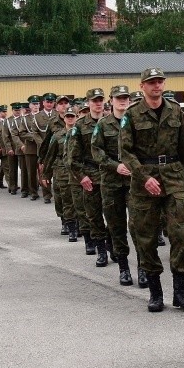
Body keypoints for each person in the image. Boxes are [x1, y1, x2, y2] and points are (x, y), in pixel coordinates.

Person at [120, 68, 184, 312]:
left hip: (174, 176)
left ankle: (180, 291)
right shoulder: (132, 114)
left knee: (180, 233)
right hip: (145, 180)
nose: (156, 86)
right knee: (145, 236)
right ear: (142, 86)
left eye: (160, 81)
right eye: (151, 82)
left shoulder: (175, 110)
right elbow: (125, 152)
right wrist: (143, 176)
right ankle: (155, 292)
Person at [92, 85, 146, 288]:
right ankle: (124, 268)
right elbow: (97, 151)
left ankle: (143, 269)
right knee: (116, 227)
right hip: (112, 182)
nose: (123, 101)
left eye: (126, 97)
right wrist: (116, 166)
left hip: (135, 182)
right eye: (119, 98)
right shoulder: (103, 124)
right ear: (111, 100)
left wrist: (134, 167)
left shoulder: (138, 121)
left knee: (138, 225)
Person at [67, 88, 115, 266]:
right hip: (90, 176)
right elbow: (73, 158)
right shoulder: (79, 126)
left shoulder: (111, 123)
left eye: (100, 100)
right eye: (94, 100)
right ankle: (101, 250)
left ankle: (112, 245)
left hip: (110, 176)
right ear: (88, 102)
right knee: (94, 216)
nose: (98, 103)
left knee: (112, 214)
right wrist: (81, 176)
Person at [41, 107, 79, 242]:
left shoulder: (80, 134)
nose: (70, 118)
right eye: (68, 116)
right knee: (64, 200)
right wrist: (45, 175)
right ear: (64, 118)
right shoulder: (57, 136)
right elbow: (50, 156)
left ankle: (77, 225)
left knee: (78, 201)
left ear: (76, 117)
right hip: (62, 172)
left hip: (78, 173)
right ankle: (69, 226)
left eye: (72, 116)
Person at [1, 103, 22, 195]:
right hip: (12, 148)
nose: (17, 112)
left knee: (24, 169)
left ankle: (27, 187)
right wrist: (9, 148)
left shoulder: (23, 119)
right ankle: (13, 186)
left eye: (19, 110)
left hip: (22, 148)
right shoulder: (7, 121)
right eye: (15, 110)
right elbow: (5, 136)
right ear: (12, 110)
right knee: (12, 169)